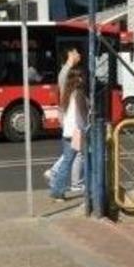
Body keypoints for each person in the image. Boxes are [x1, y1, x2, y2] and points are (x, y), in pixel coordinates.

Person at [44, 45, 83, 193]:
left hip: (68, 117)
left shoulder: (65, 71)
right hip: (72, 119)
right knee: (73, 153)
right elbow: (69, 97)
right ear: (70, 54)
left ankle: (71, 182)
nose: (79, 55)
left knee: (73, 152)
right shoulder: (68, 72)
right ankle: (60, 177)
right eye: (77, 52)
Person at [49, 68, 87, 201]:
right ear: (78, 79)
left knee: (67, 161)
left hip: (67, 131)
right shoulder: (78, 94)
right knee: (87, 158)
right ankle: (87, 188)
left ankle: (57, 190)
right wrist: (88, 124)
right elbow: (83, 112)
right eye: (81, 77)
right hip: (77, 131)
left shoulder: (66, 93)